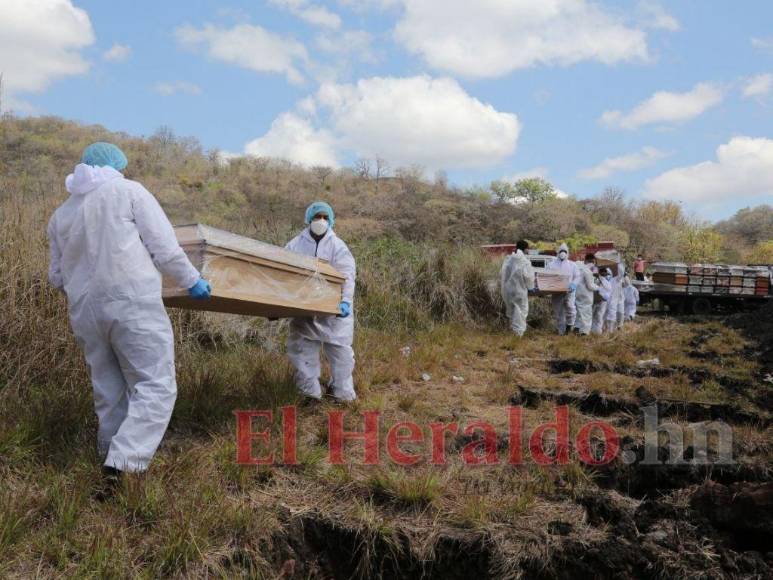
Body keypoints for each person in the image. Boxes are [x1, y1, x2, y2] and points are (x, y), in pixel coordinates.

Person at [47, 142, 211, 476]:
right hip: (131, 302)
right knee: (155, 383)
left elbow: (56, 277)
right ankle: (123, 465)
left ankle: (107, 453)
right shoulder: (129, 191)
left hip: (85, 312)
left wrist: (84, 290)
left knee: (108, 389)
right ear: (116, 165)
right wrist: (192, 279)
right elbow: (164, 247)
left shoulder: (61, 215)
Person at [285, 201, 357, 402]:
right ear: (309, 219)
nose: (321, 221)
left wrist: (345, 301)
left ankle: (343, 393)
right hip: (305, 309)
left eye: (325, 217)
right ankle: (309, 393)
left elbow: (347, 276)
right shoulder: (295, 244)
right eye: (317, 217)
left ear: (331, 220)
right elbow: (284, 270)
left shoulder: (338, 246)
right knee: (303, 350)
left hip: (335, 308)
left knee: (341, 353)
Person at [500, 240, 535, 337]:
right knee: (521, 312)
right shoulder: (525, 261)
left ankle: (513, 332)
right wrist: (531, 287)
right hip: (520, 291)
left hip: (508, 291)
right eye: (528, 248)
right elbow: (528, 277)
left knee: (512, 311)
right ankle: (518, 334)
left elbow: (502, 274)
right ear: (525, 249)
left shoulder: (509, 260)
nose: (528, 250)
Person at [546, 242, 581, 335]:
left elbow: (578, 276)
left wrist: (573, 284)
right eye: (561, 251)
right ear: (558, 252)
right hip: (556, 292)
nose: (563, 253)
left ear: (567, 253)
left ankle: (569, 326)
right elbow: (547, 276)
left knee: (570, 308)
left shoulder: (572, 265)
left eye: (564, 251)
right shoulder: (551, 265)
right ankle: (561, 331)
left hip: (569, 291)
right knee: (558, 311)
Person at [574, 253, 600, 335]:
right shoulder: (588, 271)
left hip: (578, 293)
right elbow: (590, 286)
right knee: (587, 314)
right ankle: (584, 332)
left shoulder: (579, 267)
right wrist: (598, 287)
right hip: (586, 295)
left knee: (579, 312)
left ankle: (577, 328)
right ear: (593, 261)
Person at [592, 268, 612, 334]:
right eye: (603, 272)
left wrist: (603, 297)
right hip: (595, 300)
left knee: (599, 315)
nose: (604, 274)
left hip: (602, 301)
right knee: (593, 315)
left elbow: (608, 291)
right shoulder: (595, 280)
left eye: (605, 273)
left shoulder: (606, 282)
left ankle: (598, 331)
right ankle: (592, 330)